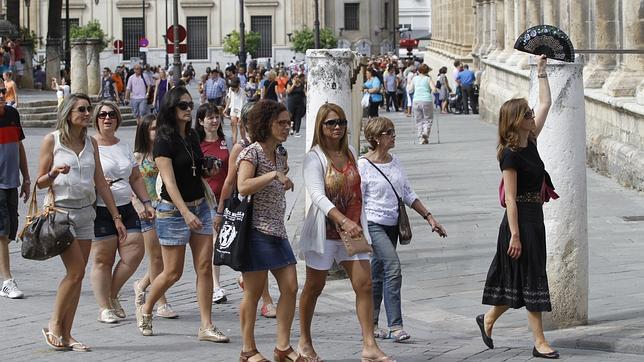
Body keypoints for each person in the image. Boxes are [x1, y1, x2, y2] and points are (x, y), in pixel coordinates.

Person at [298, 103, 394, 362]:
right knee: (314, 286)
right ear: (321, 126)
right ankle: (304, 341)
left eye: (341, 122)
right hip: (325, 231)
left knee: (364, 284)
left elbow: (358, 190)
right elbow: (317, 195)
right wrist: (342, 220)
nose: (337, 127)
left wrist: (358, 222)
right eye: (331, 123)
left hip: (353, 228)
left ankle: (369, 345)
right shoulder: (314, 157)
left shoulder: (351, 152)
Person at [478, 55, 559, 359]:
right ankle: (540, 342)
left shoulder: (532, 140)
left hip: (534, 217)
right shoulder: (509, 155)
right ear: (516, 120)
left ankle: (486, 320)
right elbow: (510, 198)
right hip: (518, 222)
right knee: (532, 277)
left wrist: (541, 73)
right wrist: (514, 235)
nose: (531, 115)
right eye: (526, 113)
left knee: (524, 279)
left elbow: (546, 104)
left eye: (529, 112)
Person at [135, 86, 229, 343]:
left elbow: (194, 170)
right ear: (171, 109)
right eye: (183, 106)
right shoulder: (164, 140)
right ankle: (146, 307)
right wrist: (185, 212)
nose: (189, 109)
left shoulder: (192, 136)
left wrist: (208, 170)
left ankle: (206, 325)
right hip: (174, 211)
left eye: (190, 105)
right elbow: (169, 182)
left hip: (200, 205)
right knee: (172, 272)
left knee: (204, 268)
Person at [36, 93, 127, 351]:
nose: (88, 114)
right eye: (82, 110)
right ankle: (54, 324)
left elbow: (100, 181)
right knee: (75, 272)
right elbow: (39, 182)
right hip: (61, 214)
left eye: (89, 109)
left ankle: (67, 334)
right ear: (68, 113)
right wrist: (53, 173)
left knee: (76, 276)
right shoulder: (51, 141)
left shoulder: (91, 143)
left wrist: (116, 217)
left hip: (87, 214)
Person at [358, 117, 447, 343]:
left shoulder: (395, 161)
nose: (393, 136)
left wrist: (429, 217)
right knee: (393, 268)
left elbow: (407, 193)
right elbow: (357, 200)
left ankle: (372, 323)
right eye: (389, 133)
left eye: (393, 132)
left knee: (377, 276)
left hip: (393, 226)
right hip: (373, 224)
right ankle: (395, 325)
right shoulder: (363, 166)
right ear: (376, 138)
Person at [236, 99, 300, 362]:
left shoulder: (281, 153)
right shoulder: (252, 153)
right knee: (253, 292)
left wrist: (282, 181)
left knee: (291, 287)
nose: (287, 127)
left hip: (277, 229)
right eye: (281, 123)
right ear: (266, 124)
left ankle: (282, 347)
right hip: (256, 231)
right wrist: (273, 176)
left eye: (288, 122)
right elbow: (243, 186)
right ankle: (248, 349)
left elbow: (277, 178)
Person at [89, 101, 152, 324]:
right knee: (103, 259)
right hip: (101, 208)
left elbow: (135, 177)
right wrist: (95, 182)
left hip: (126, 205)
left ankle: (112, 294)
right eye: (103, 115)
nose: (108, 118)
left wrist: (146, 202)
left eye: (112, 115)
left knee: (134, 252)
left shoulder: (123, 146)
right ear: (96, 119)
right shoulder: (90, 145)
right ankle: (104, 307)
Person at [215, 102, 278, 319]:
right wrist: (221, 210)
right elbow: (231, 181)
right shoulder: (241, 148)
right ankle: (266, 299)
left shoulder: (273, 145)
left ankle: (251, 285)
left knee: (259, 257)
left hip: (267, 210)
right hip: (246, 208)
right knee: (258, 256)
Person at [132, 114, 178, 319]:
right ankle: (161, 302)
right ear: (144, 131)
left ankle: (141, 284)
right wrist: (137, 203)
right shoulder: (137, 157)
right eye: (152, 129)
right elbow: (129, 184)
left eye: (159, 128)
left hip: (167, 209)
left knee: (166, 260)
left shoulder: (166, 153)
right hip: (147, 211)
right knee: (156, 258)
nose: (157, 132)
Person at [194, 103, 231, 304]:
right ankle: (216, 285)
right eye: (209, 118)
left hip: (227, 198)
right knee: (214, 241)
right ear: (200, 121)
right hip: (206, 199)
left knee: (228, 240)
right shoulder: (195, 144)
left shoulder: (227, 141)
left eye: (216, 116)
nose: (214, 120)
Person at [0, 79, 29, 299]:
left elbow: (19, 146)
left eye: (2, 90)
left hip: (12, 182)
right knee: (2, 233)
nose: (2, 94)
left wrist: (26, 178)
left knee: (10, 232)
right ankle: (7, 281)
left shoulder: (12, 114)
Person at [407, 64, 437, 144]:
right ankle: (426, 132)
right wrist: (435, 91)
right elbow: (433, 89)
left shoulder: (414, 78)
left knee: (418, 120)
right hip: (427, 100)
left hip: (416, 100)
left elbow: (410, 89)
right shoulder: (428, 79)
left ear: (418, 70)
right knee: (428, 119)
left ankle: (421, 138)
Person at [223, 76, 247, 144]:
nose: (233, 90)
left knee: (241, 125)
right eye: (232, 89)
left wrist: (240, 116)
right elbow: (229, 99)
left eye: (234, 89)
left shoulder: (242, 92)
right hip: (233, 108)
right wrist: (226, 108)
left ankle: (243, 140)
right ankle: (234, 141)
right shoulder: (230, 89)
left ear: (238, 85)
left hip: (241, 110)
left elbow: (242, 104)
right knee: (233, 124)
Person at [285, 73, 306, 137]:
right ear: (292, 78)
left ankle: (297, 131)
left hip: (299, 102)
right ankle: (290, 129)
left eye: (298, 77)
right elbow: (288, 91)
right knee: (291, 116)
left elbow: (304, 93)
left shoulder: (301, 84)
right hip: (291, 102)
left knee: (298, 117)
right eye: (296, 77)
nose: (297, 78)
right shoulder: (289, 83)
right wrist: (293, 84)